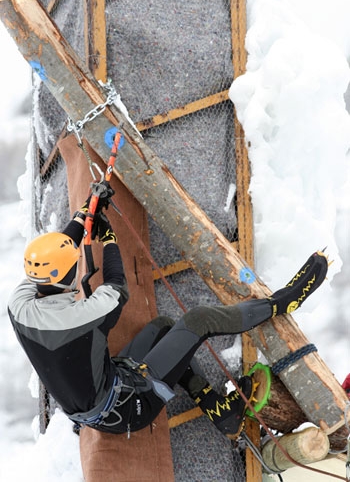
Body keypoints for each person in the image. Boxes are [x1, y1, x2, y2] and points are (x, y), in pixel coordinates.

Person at [8, 184, 329, 440]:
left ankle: (220, 411)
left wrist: (87, 210)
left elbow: (60, 251)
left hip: (105, 392)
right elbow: (117, 286)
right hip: (128, 405)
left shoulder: (19, 305)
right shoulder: (79, 319)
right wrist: (108, 239)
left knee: (163, 326)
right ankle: (281, 303)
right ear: (65, 273)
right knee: (198, 321)